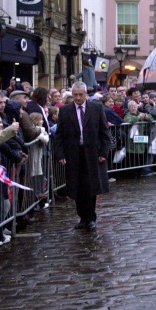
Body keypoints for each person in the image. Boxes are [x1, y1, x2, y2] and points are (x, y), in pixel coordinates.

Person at [53, 81, 111, 231]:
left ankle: (90, 217)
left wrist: (104, 152)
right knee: (77, 187)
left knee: (90, 186)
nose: (78, 98)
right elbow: (59, 134)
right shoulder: (65, 111)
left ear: (86, 94)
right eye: (75, 95)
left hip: (93, 153)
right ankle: (82, 218)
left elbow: (104, 132)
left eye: (80, 95)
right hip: (74, 153)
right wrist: (60, 154)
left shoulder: (96, 108)